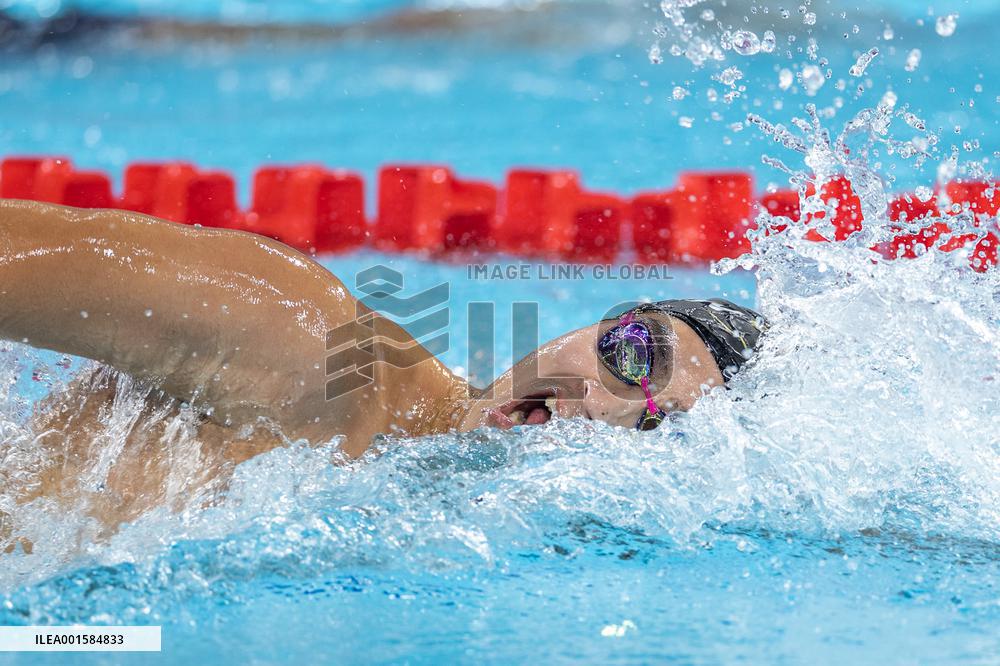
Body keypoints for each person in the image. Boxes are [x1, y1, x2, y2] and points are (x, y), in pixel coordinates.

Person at [0, 199, 765, 538]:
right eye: (632, 355)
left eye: (658, 428)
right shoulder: (303, 339)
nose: (606, 409)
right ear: (592, 322)